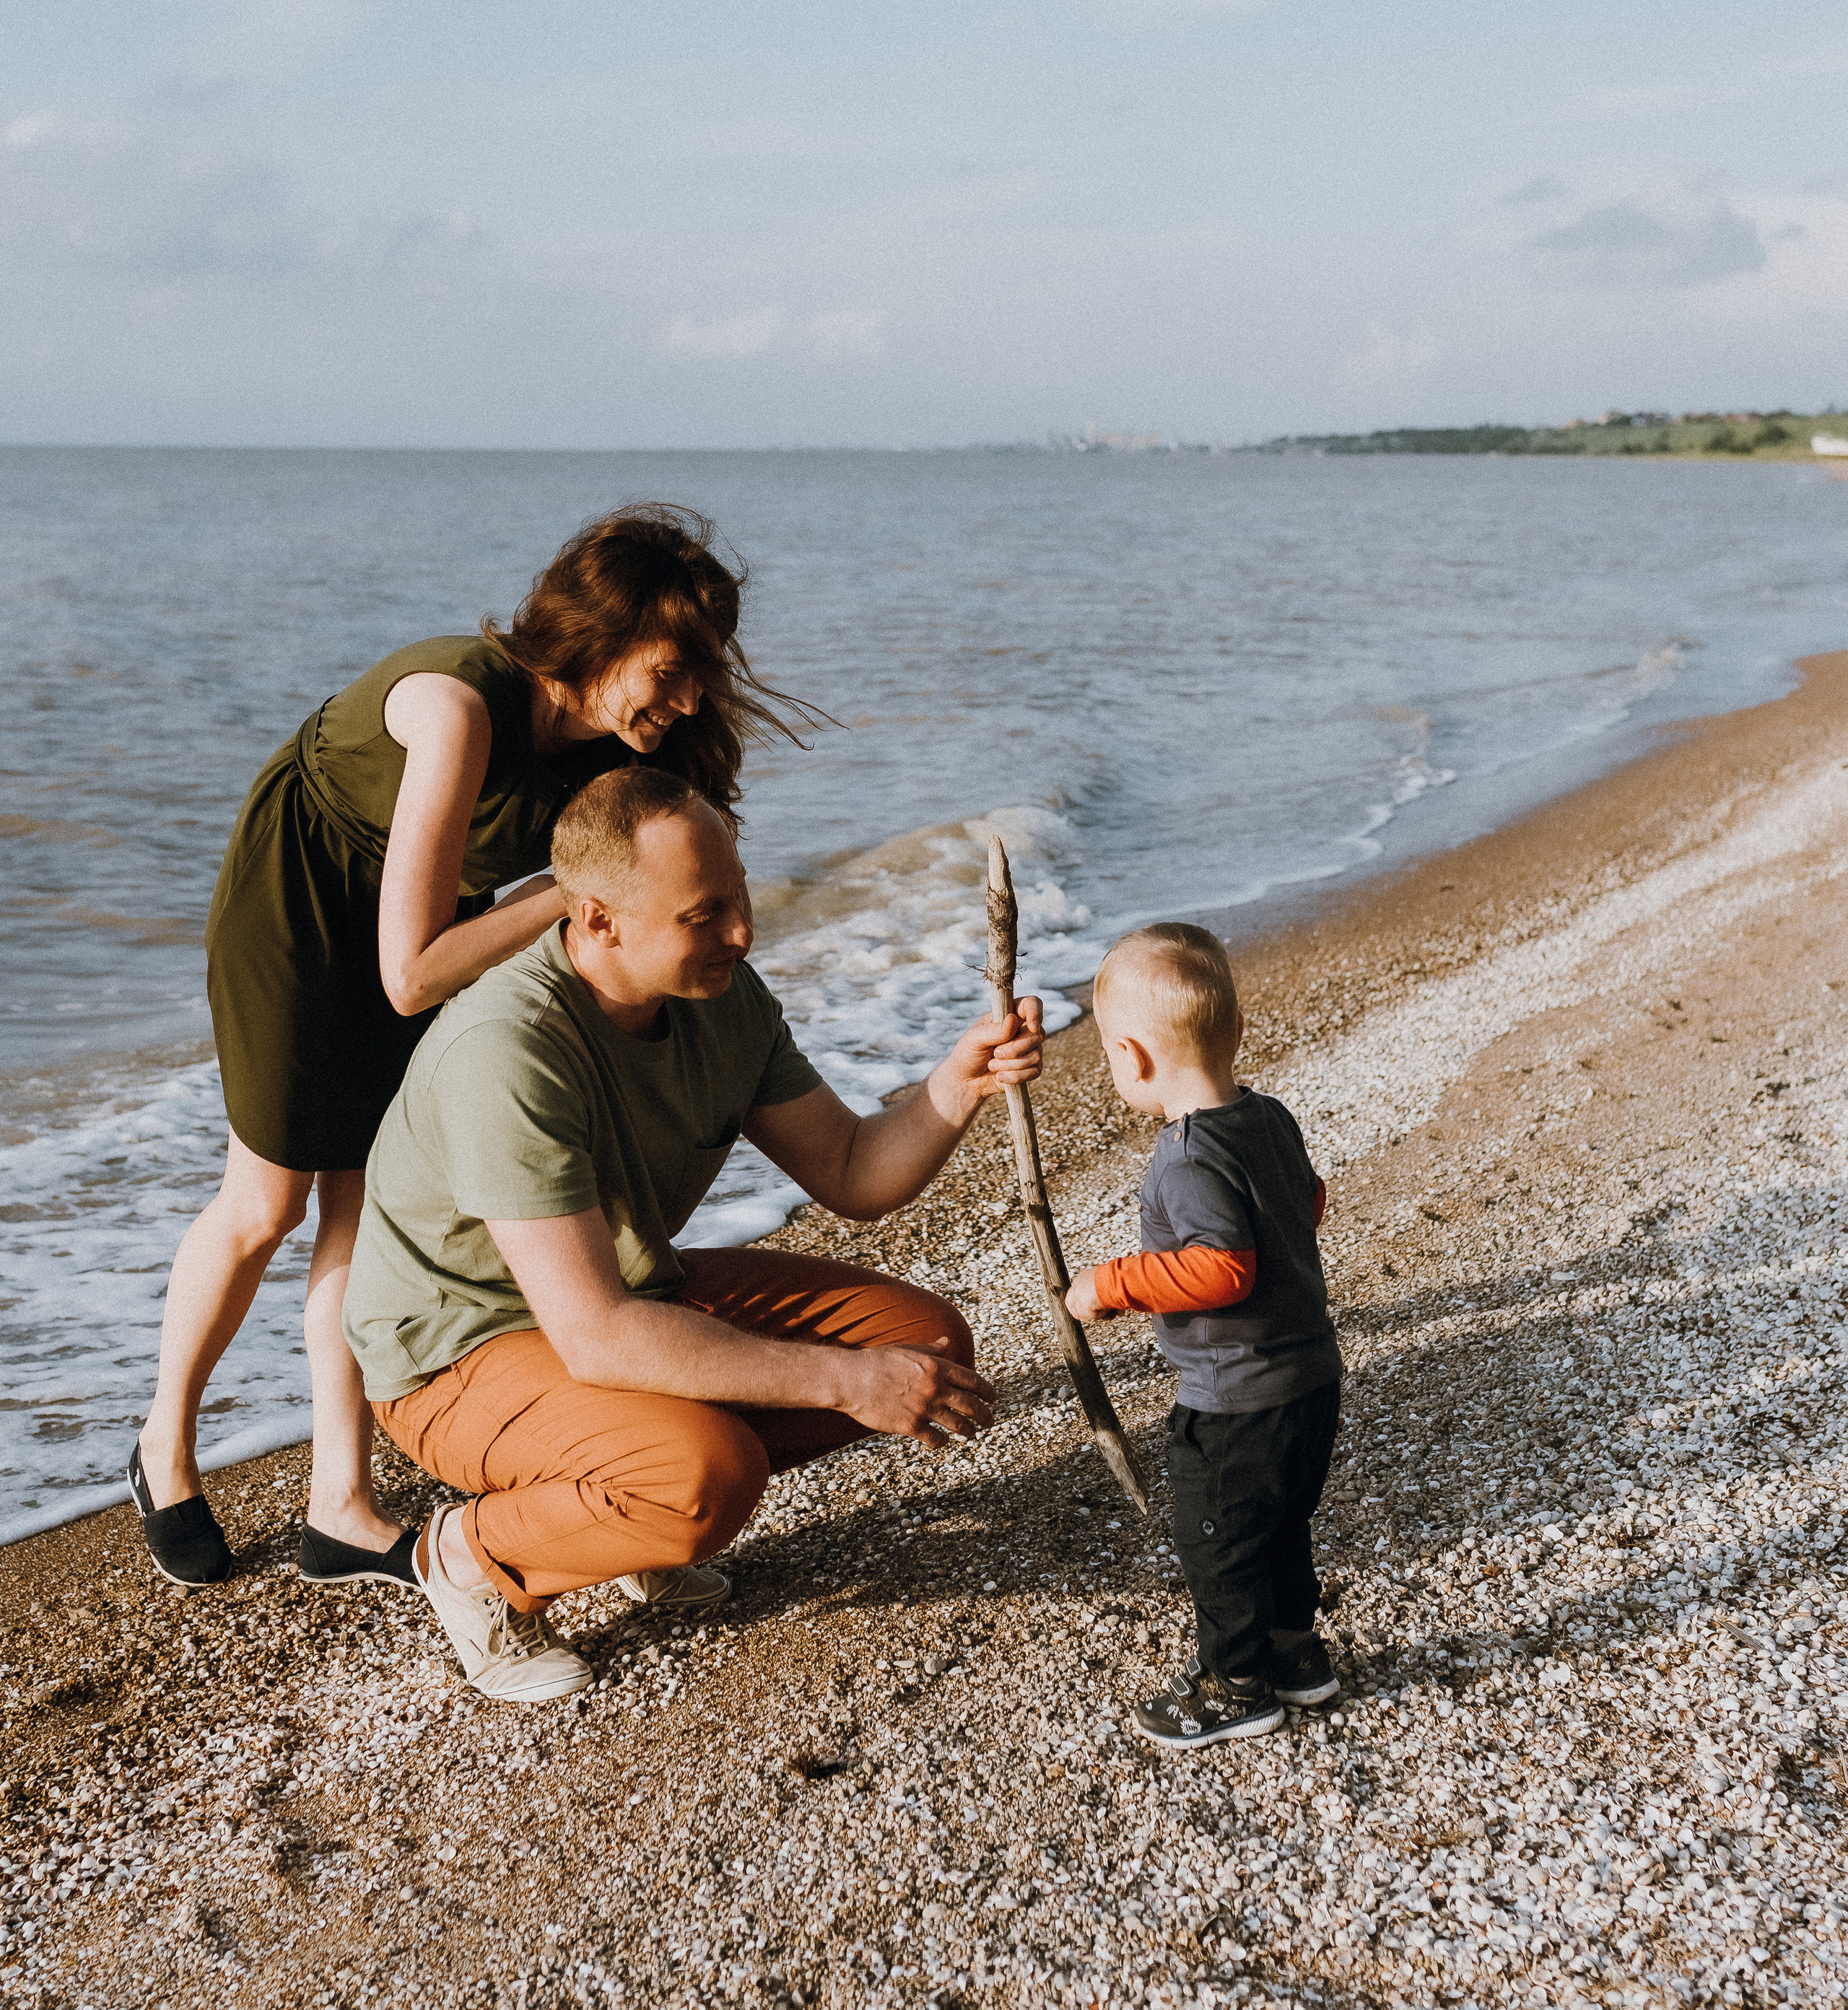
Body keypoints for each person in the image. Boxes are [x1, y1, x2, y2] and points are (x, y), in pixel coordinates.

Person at [130, 505, 810, 1594]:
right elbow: (412, 971)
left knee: (368, 1200)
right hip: (303, 914)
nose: (688, 701)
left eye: (702, 677)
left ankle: (338, 1507)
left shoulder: (598, 748)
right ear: (601, 635)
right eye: (673, 670)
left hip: (437, 924)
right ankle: (165, 1450)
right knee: (266, 1205)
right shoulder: (456, 706)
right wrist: (563, 898)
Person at [341, 763, 1045, 1702]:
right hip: (454, 1353)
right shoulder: (504, 1051)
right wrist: (843, 1380)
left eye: (741, 896)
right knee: (708, 1474)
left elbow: (852, 1171)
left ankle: (629, 1515)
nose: (744, 932)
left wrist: (960, 1083)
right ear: (597, 920)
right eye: (704, 914)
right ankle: (469, 1558)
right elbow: (594, 1332)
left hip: (620, 1298)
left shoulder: (720, 993)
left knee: (922, 1347)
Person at [1063, 923, 1343, 1749]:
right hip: (1311, 1381)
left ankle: (1235, 1687)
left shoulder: (1184, 1158)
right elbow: (1310, 1201)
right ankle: (1298, 1656)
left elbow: (1221, 1270)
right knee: (1282, 1525)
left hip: (1235, 1399)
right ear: (1236, 1034)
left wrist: (1111, 1284)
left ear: (1133, 1058)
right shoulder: (1269, 1118)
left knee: (1217, 1541)